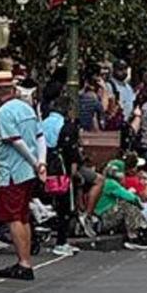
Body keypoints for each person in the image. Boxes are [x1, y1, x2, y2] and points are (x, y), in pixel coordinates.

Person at [0, 70, 44, 282]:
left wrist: (34, 161)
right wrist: (41, 162)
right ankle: (25, 260)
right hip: (28, 170)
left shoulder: (4, 113)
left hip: (13, 170)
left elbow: (16, 141)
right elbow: (39, 137)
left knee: (14, 217)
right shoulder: (26, 108)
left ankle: (24, 262)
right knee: (23, 216)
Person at [42, 96, 82, 258]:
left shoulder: (43, 123)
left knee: (48, 199)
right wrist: (73, 169)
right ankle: (61, 241)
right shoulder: (67, 126)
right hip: (61, 166)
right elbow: (71, 151)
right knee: (65, 203)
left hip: (44, 162)